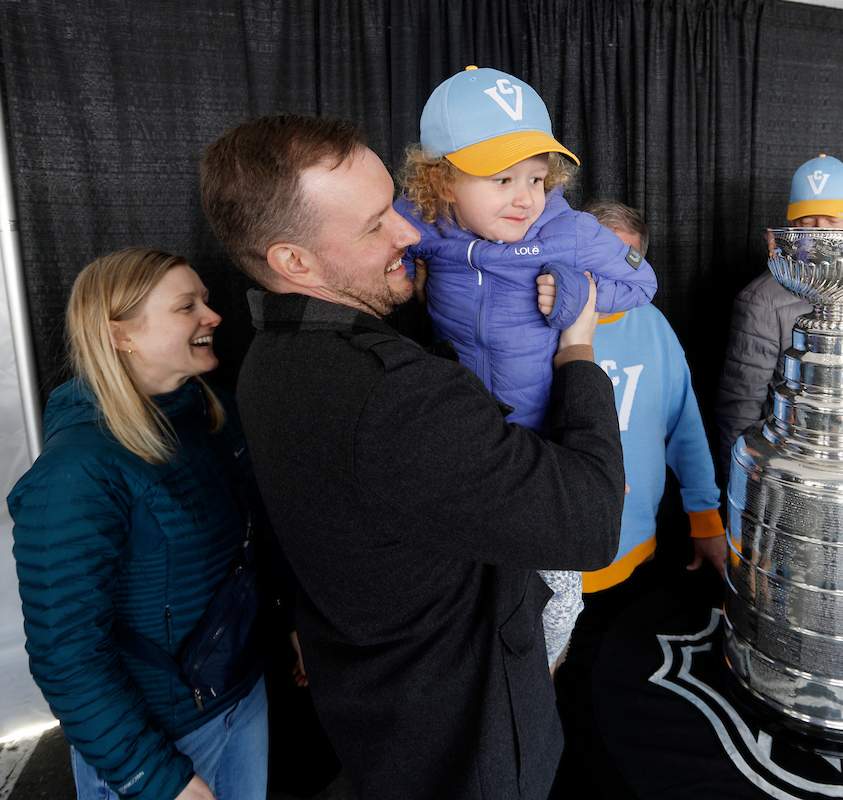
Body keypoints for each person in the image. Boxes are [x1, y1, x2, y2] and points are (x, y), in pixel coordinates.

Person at [200, 113, 624, 800]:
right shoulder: (395, 398)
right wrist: (577, 348)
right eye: (375, 225)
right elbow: (592, 519)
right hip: (466, 742)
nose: (408, 230)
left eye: (395, 206)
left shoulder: (266, 358)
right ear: (294, 261)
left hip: (373, 705)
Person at [396, 66, 657, 668]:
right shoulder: (415, 221)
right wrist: (404, 282)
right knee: (470, 604)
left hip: (546, 446)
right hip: (461, 442)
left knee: (554, 606)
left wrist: (579, 293)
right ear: (441, 181)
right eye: (502, 177)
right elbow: (372, 261)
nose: (525, 198)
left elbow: (641, 283)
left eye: (537, 178)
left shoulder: (569, 230)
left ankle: (543, 686)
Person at [7, 249, 267, 800]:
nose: (213, 316)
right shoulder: (78, 473)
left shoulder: (212, 414)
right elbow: (66, 654)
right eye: (186, 306)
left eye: (206, 300)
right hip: (163, 742)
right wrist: (154, 777)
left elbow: (251, 550)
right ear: (121, 335)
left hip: (241, 701)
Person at [581, 200, 724, 591]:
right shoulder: (535, 322)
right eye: (598, 256)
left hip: (638, 545)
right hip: (554, 556)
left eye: (623, 261)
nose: (608, 273)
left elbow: (685, 428)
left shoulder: (654, 325)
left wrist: (706, 520)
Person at [715, 154, 843, 481]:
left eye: (831, 220)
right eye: (807, 222)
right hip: (789, 473)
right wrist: (741, 493)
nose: (819, 233)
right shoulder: (761, 301)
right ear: (791, 223)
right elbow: (739, 411)